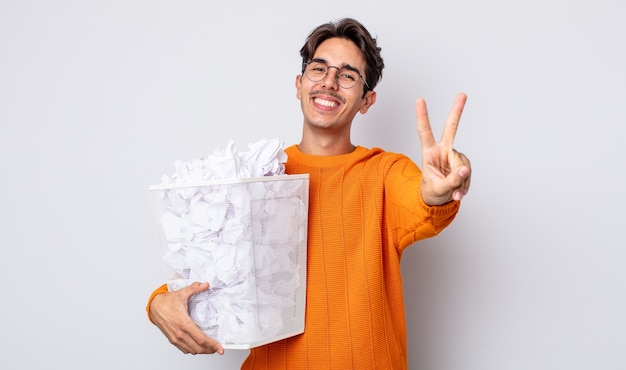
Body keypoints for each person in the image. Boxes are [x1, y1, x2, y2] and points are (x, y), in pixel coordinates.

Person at [146, 17, 471, 369]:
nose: (330, 82)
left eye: (347, 75)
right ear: (299, 84)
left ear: (366, 100)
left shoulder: (385, 173)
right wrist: (158, 303)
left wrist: (439, 187)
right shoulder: (258, 175)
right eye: (319, 69)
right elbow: (205, 264)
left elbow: (422, 202)